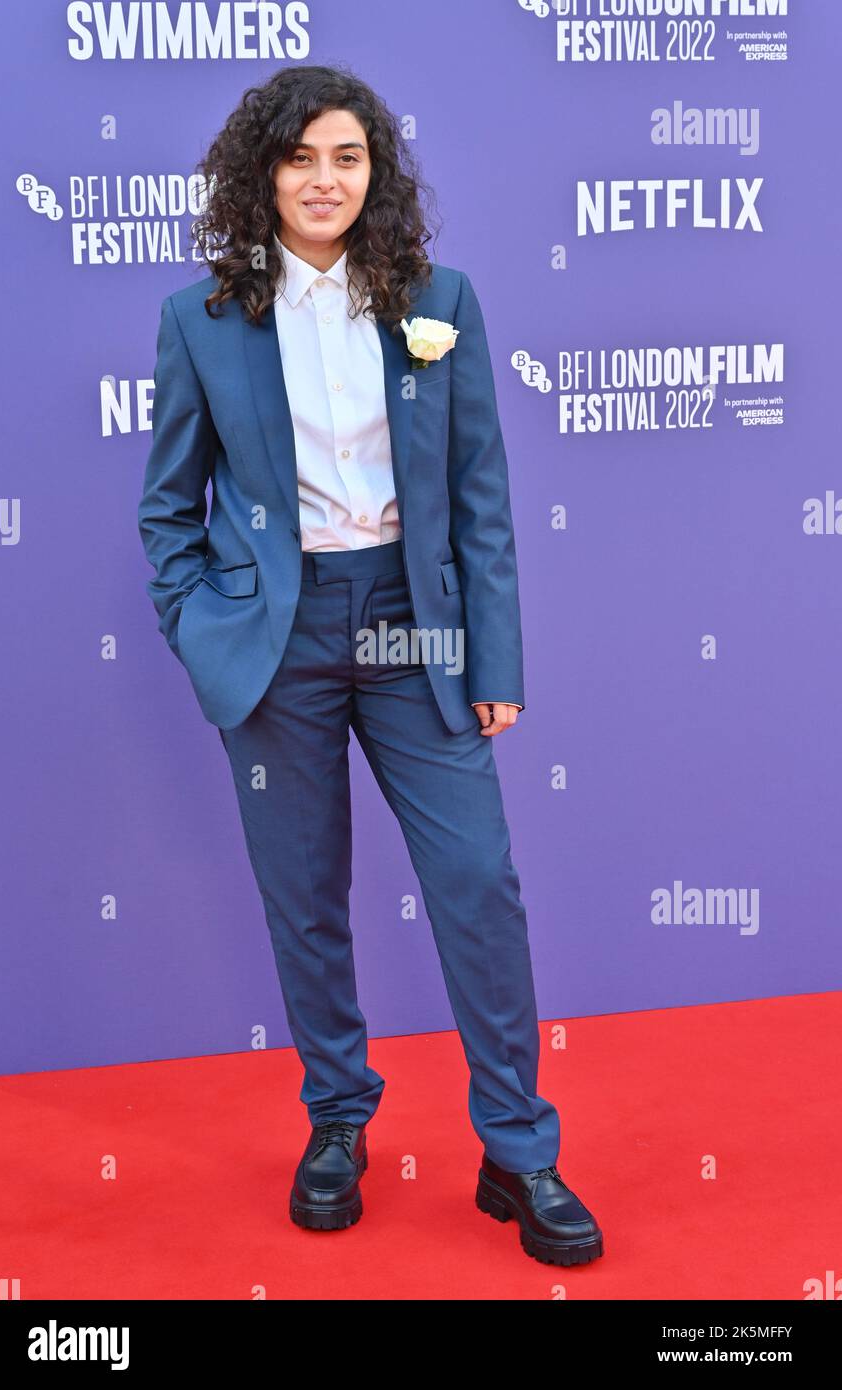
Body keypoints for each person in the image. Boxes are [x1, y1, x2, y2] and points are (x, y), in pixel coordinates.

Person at [138, 64, 603, 1267]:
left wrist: (490, 651)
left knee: (479, 886)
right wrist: (203, 629)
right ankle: (337, 1122)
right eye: (301, 158)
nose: (324, 180)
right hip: (275, 641)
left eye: (347, 157)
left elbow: (483, 499)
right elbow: (167, 511)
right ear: (263, 174)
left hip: (414, 626)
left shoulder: (440, 299)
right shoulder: (202, 318)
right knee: (306, 899)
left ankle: (519, 1148)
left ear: (375, 172)